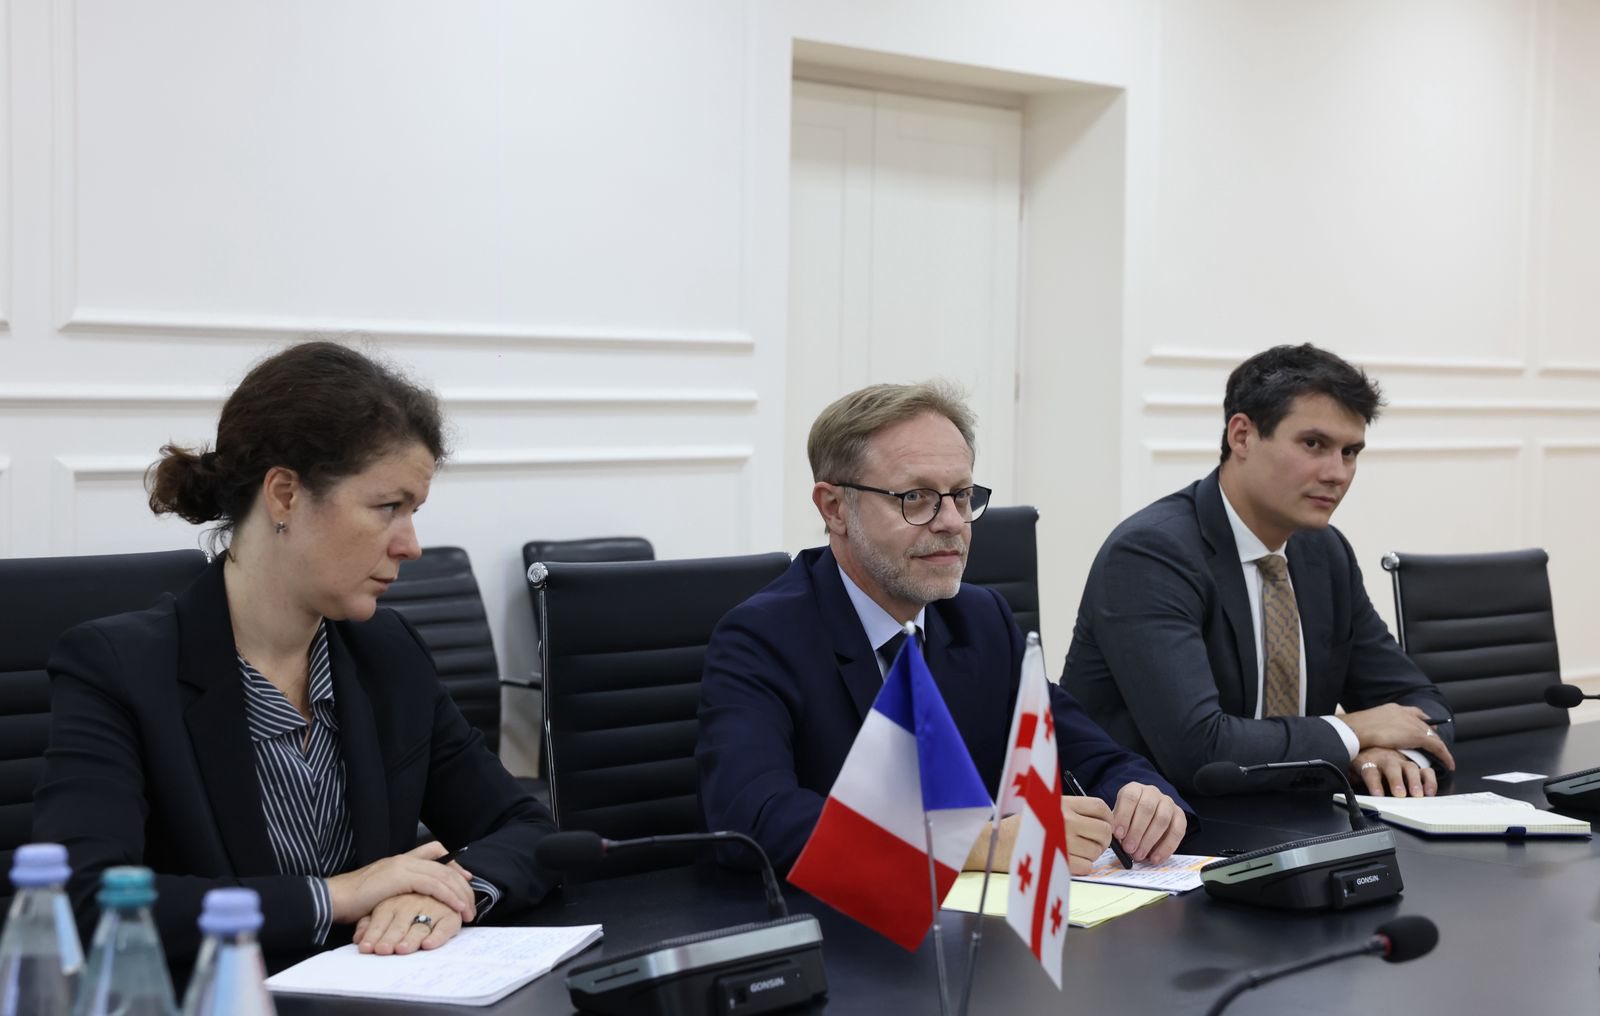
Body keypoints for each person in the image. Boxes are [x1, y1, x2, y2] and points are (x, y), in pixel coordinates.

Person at [32, 341, 557, 982]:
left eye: (414, 511)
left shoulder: (386, 651)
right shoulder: (118, 667)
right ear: (284, 494)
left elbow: (526, 827)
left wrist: (445, 894)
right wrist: (335, 896)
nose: (411, 545)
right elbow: (81, 901)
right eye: (387, 507)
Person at [697, 381, 1190, 878]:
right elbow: (752, 820)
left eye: (962, 495)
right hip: (839, 918)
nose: (952, 522)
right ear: (834, 508)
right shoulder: (762, 637)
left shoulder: (981, 618)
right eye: (916, 497)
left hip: (984, 918)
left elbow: (1090, 755)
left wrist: (1141, 798)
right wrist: (975, 844)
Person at [1062, 344, 1455, 798]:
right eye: (1314, 444)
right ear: (1242, 436)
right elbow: (1202, 751)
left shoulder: (1324, 552)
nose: (1337, 473)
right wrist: (1353, 732)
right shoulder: (1151, 554)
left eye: (1350, 452)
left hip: (1294, 813)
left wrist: (1388, 753)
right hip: (1164, 824)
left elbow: (1427, 710)